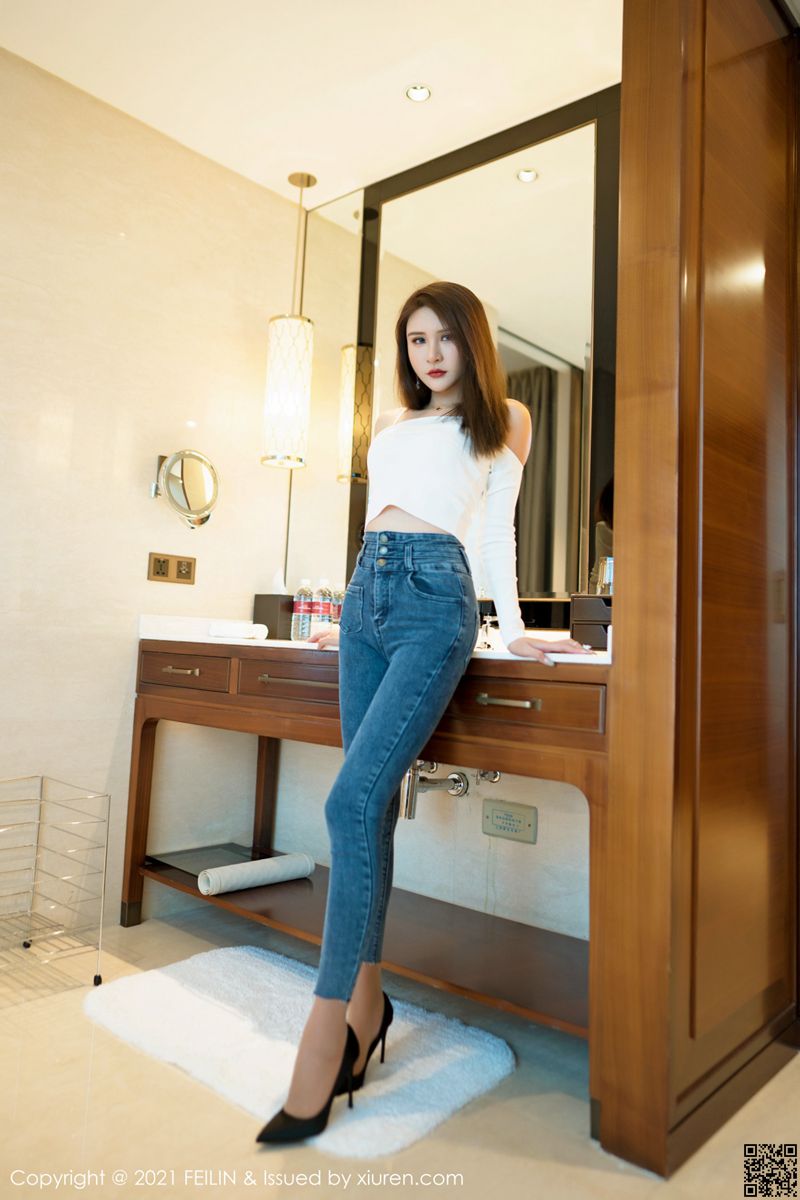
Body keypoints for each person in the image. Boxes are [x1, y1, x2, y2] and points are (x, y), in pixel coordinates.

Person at [256, 281, 586, 1145]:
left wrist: (513, 628)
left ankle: (323, 1037)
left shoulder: (505, 419)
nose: (430, 355)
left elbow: (493, 533)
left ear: (473, 342)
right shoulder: (394, 425)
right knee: (369, 814)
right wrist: (345, 618)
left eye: (445, 338)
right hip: (365, 598)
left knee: (348, 803)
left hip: (437, 602)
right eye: (415, 340)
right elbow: (380, 521)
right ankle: (368, 1008)